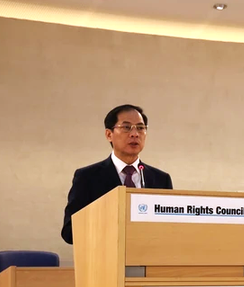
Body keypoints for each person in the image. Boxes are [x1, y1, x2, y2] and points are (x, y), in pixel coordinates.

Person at [61, 104, 173, 244]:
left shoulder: (161, 179)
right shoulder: (87, 177)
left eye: (140, 128)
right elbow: (70, 231)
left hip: (149, 255)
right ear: (109, 134)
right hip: (104, 254)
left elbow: (170, 228)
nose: (135, 134)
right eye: (126, 127)